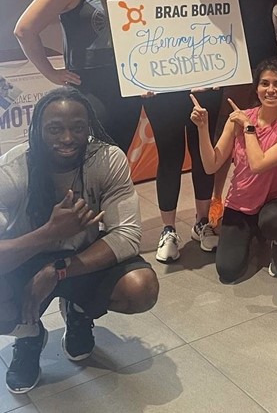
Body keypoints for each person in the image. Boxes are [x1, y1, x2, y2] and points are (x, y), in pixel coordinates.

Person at [0, 87, 158, 395]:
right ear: (37, 130)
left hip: (81, 256)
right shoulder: (11, 170)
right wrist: (49, 232)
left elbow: (127, 235)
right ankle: (28, 335)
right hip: (26, 257)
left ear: (90, 128)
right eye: (54, 129)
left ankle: (78, 312)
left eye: (78, 128)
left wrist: (59, 270)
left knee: (141, 288)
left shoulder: (107, 159)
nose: (67, 138)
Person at [156, 0, 277, 228]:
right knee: (225, 138)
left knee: (274, 136)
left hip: (275, 62)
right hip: (232, 66)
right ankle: (217, 203)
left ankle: (275, 199)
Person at [135, 0, 235, 262]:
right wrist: (142, 75)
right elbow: (136, 32)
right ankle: (168, 229)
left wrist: (223, 72)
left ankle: (202, 222)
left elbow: (228, 37)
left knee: (204, 156)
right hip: (163, 90)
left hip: (207, 87)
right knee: (170, 156)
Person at [14, 0, 141, 153]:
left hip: (125, 87)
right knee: (91, 158)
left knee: (119, 156)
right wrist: (51, 73)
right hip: (89, 88)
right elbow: (24, 30)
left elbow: (135, 33)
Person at [190, 59, 277, 283]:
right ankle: (254, 232)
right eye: (265, 83)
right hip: (240, 202)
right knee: (227, 270)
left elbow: (258, 164)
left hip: (276, 199)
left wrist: (249, 128)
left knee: (272, 221)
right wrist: (203, 128)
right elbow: (211, 165)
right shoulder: (238, 118)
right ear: (257, 87)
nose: (271, 90)